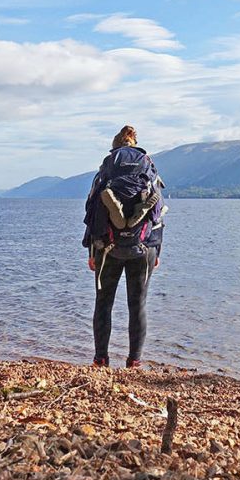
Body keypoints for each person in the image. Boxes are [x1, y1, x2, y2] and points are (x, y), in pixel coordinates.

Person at [82, 125, 165, 369]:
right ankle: (134, 362)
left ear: (116, 144)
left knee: (103, 302)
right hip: (143, 245)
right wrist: (156, 250)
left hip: (108, 245)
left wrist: (91, 250)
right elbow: (158, 213)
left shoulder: (108, 165)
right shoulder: (148, 166)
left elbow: (92, 209)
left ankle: (101, 359)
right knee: (137, 303)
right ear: (135, 143)